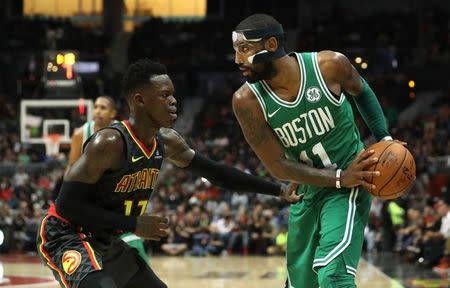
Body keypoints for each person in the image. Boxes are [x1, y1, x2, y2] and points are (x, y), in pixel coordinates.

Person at [37, 59, 299, 288]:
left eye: (173, 94)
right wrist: (134, 225)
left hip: (106, 237)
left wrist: (277, 189)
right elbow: (66, 206)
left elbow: (216, 173)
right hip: (67, 236)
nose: (173, 100)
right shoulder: (109, 143)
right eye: (164, 95)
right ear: (140, 100)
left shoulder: (168, 141)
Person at [231, 14, 399, 288]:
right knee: (301, 284)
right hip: (309, 190)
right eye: (236, 50)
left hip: (352, 180)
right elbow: (277, 165)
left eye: (245, 49)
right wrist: (335, 178)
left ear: (271, 44)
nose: (238, 59)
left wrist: (385, 138)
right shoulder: (246, 100)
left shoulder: (329, 65)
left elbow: (362, 91)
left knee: (333, 276)